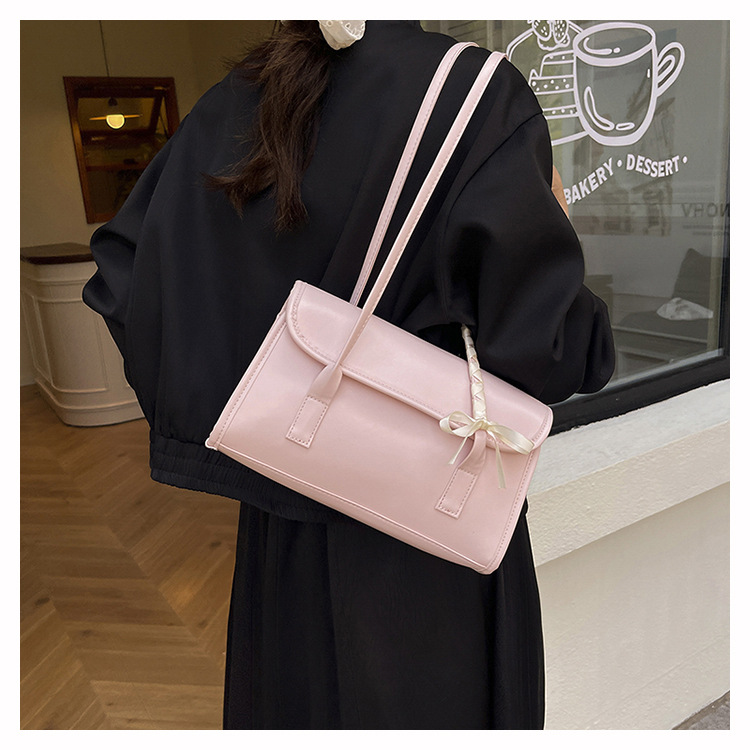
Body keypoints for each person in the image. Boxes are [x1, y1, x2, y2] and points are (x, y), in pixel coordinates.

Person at [83, 20, 615, 730]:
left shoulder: (240, 98)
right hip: (431, 530)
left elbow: (122, 278)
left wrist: (244, 406)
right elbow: (547, 351)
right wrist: (557, 223)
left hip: (284, 519)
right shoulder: (474, 96)